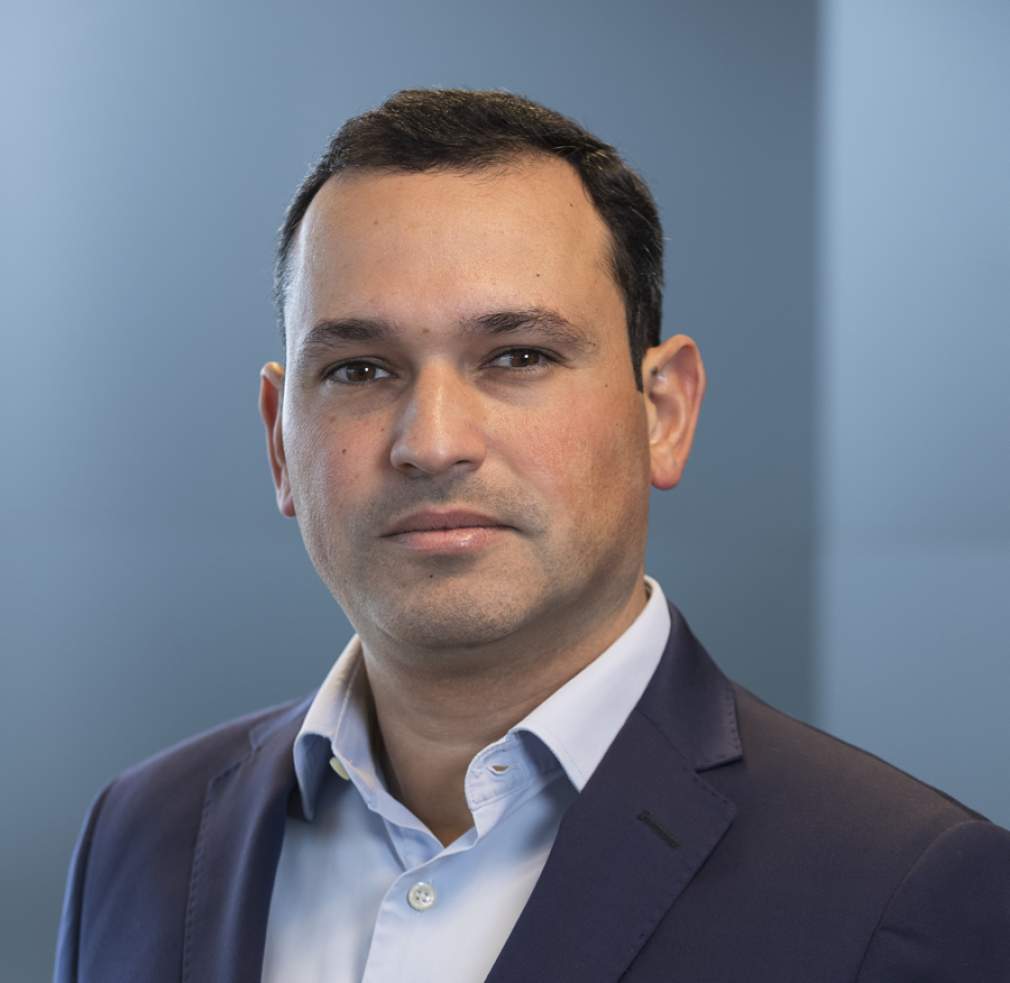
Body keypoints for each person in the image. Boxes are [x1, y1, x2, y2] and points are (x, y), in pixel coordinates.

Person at [54, 88, 1010, 983]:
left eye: (518, 356)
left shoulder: (907, 890)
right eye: (360, 370)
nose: (433, 443)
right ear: (278, 441)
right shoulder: (139, 836)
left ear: (664, 412)